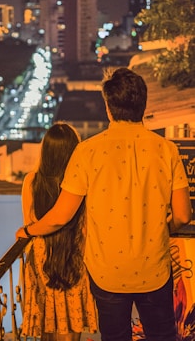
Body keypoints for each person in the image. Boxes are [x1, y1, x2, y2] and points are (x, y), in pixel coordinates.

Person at [16, 67, 192, 341]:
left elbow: (61, 216)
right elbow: (182, 215)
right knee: (162, 336)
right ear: (143, 105)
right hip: (154, 269)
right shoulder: (166, 150)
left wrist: (27, 231)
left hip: (107, 273)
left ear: (109, 108)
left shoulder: (87, 152)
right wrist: (163, 229)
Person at [19, 121, 98, 341]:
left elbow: (30, 222)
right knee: (70, 330)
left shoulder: (31, 182)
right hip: (75, 257)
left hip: (42, 262)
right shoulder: (84, 181)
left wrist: (26, 232)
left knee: (45, 328)